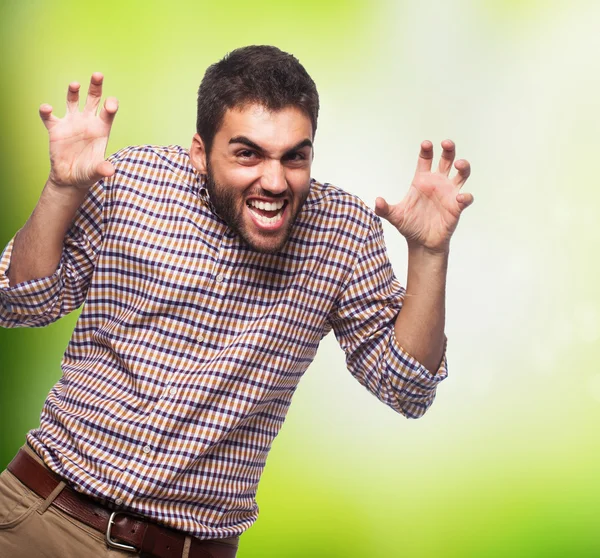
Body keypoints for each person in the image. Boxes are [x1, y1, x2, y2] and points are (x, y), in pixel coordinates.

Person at [0, 45, 473, 558]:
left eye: (295, 156)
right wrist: (61, 190)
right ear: (201, 153)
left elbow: (406, 387)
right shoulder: (133, 180)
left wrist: (428, 254)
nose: (275, 181)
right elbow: (22, 304)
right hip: (45, 518)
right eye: (248, 153)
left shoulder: (342, 232)